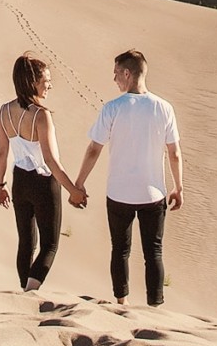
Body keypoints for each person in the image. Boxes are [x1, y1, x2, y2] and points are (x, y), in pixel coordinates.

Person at [71, 48, 182, 306]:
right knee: (153, 252)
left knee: (120, 250)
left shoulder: (113, 108)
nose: (114, 80)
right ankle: (155, 307)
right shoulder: (164, 108)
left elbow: (93, 149)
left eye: (116, 74)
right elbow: (174, 153)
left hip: (119, 194)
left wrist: (79, 183)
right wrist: (179, 187)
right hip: (153, 195)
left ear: (128, 73)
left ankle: (122, 303)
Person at [0, 53, 86, 289]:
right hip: (43, 182)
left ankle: (24, 291)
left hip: (20, 182)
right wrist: (73, 191)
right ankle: (29, 292)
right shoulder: (40, 115)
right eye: (46, 80)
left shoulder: (4, 111)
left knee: (26, 243)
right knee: (49, 245)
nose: (50, 84)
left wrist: (0, 185)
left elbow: (2, 154)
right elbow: (51, 160)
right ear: (33, 82)